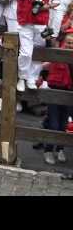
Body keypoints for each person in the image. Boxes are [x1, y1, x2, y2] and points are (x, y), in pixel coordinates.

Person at [16, 0, 58, 92]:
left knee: (38, 53)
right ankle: (22, 77)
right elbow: (19, 0)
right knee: (26, 53)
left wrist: (45, 6)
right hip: (25, 23)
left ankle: (32, 78)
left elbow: (57, 1)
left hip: (40, 23)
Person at [43, 31, 73, 165]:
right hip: (55, 93)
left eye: (72, 43)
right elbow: (49, 48)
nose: (70, 45)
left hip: (69, 95)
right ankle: (48, 150)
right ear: (63, 42)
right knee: (54, 124)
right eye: (68, 42)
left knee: (63, 124)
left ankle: (60, 148)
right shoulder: (57, 53)